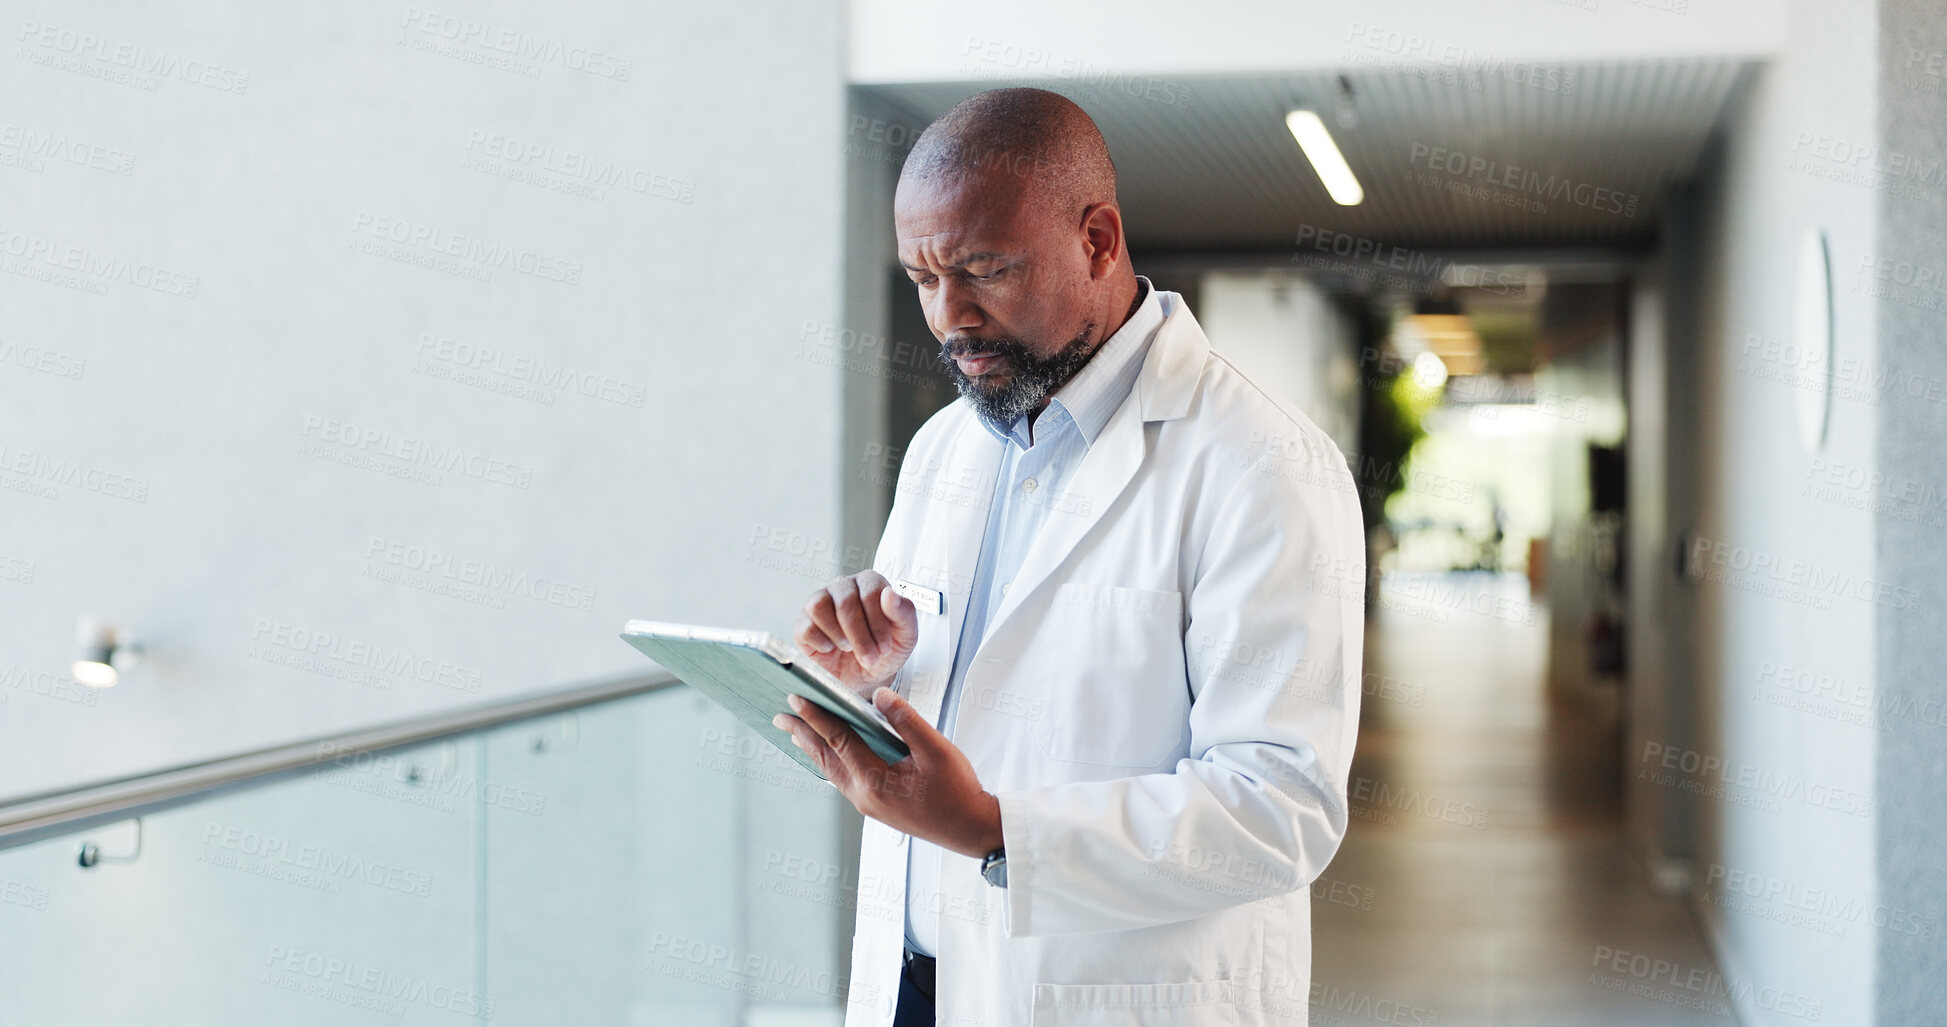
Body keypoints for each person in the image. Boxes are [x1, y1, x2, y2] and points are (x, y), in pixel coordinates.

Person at [773, 87, 1365, 1027]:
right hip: (919, 985)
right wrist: (870, 675)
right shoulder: (943, 448)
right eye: (923, 279)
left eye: (983, 269)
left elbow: (1279, 805)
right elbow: (988, 707)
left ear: (1097, 239)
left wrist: (993, 830)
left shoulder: (1260, 463)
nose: (949, 317)